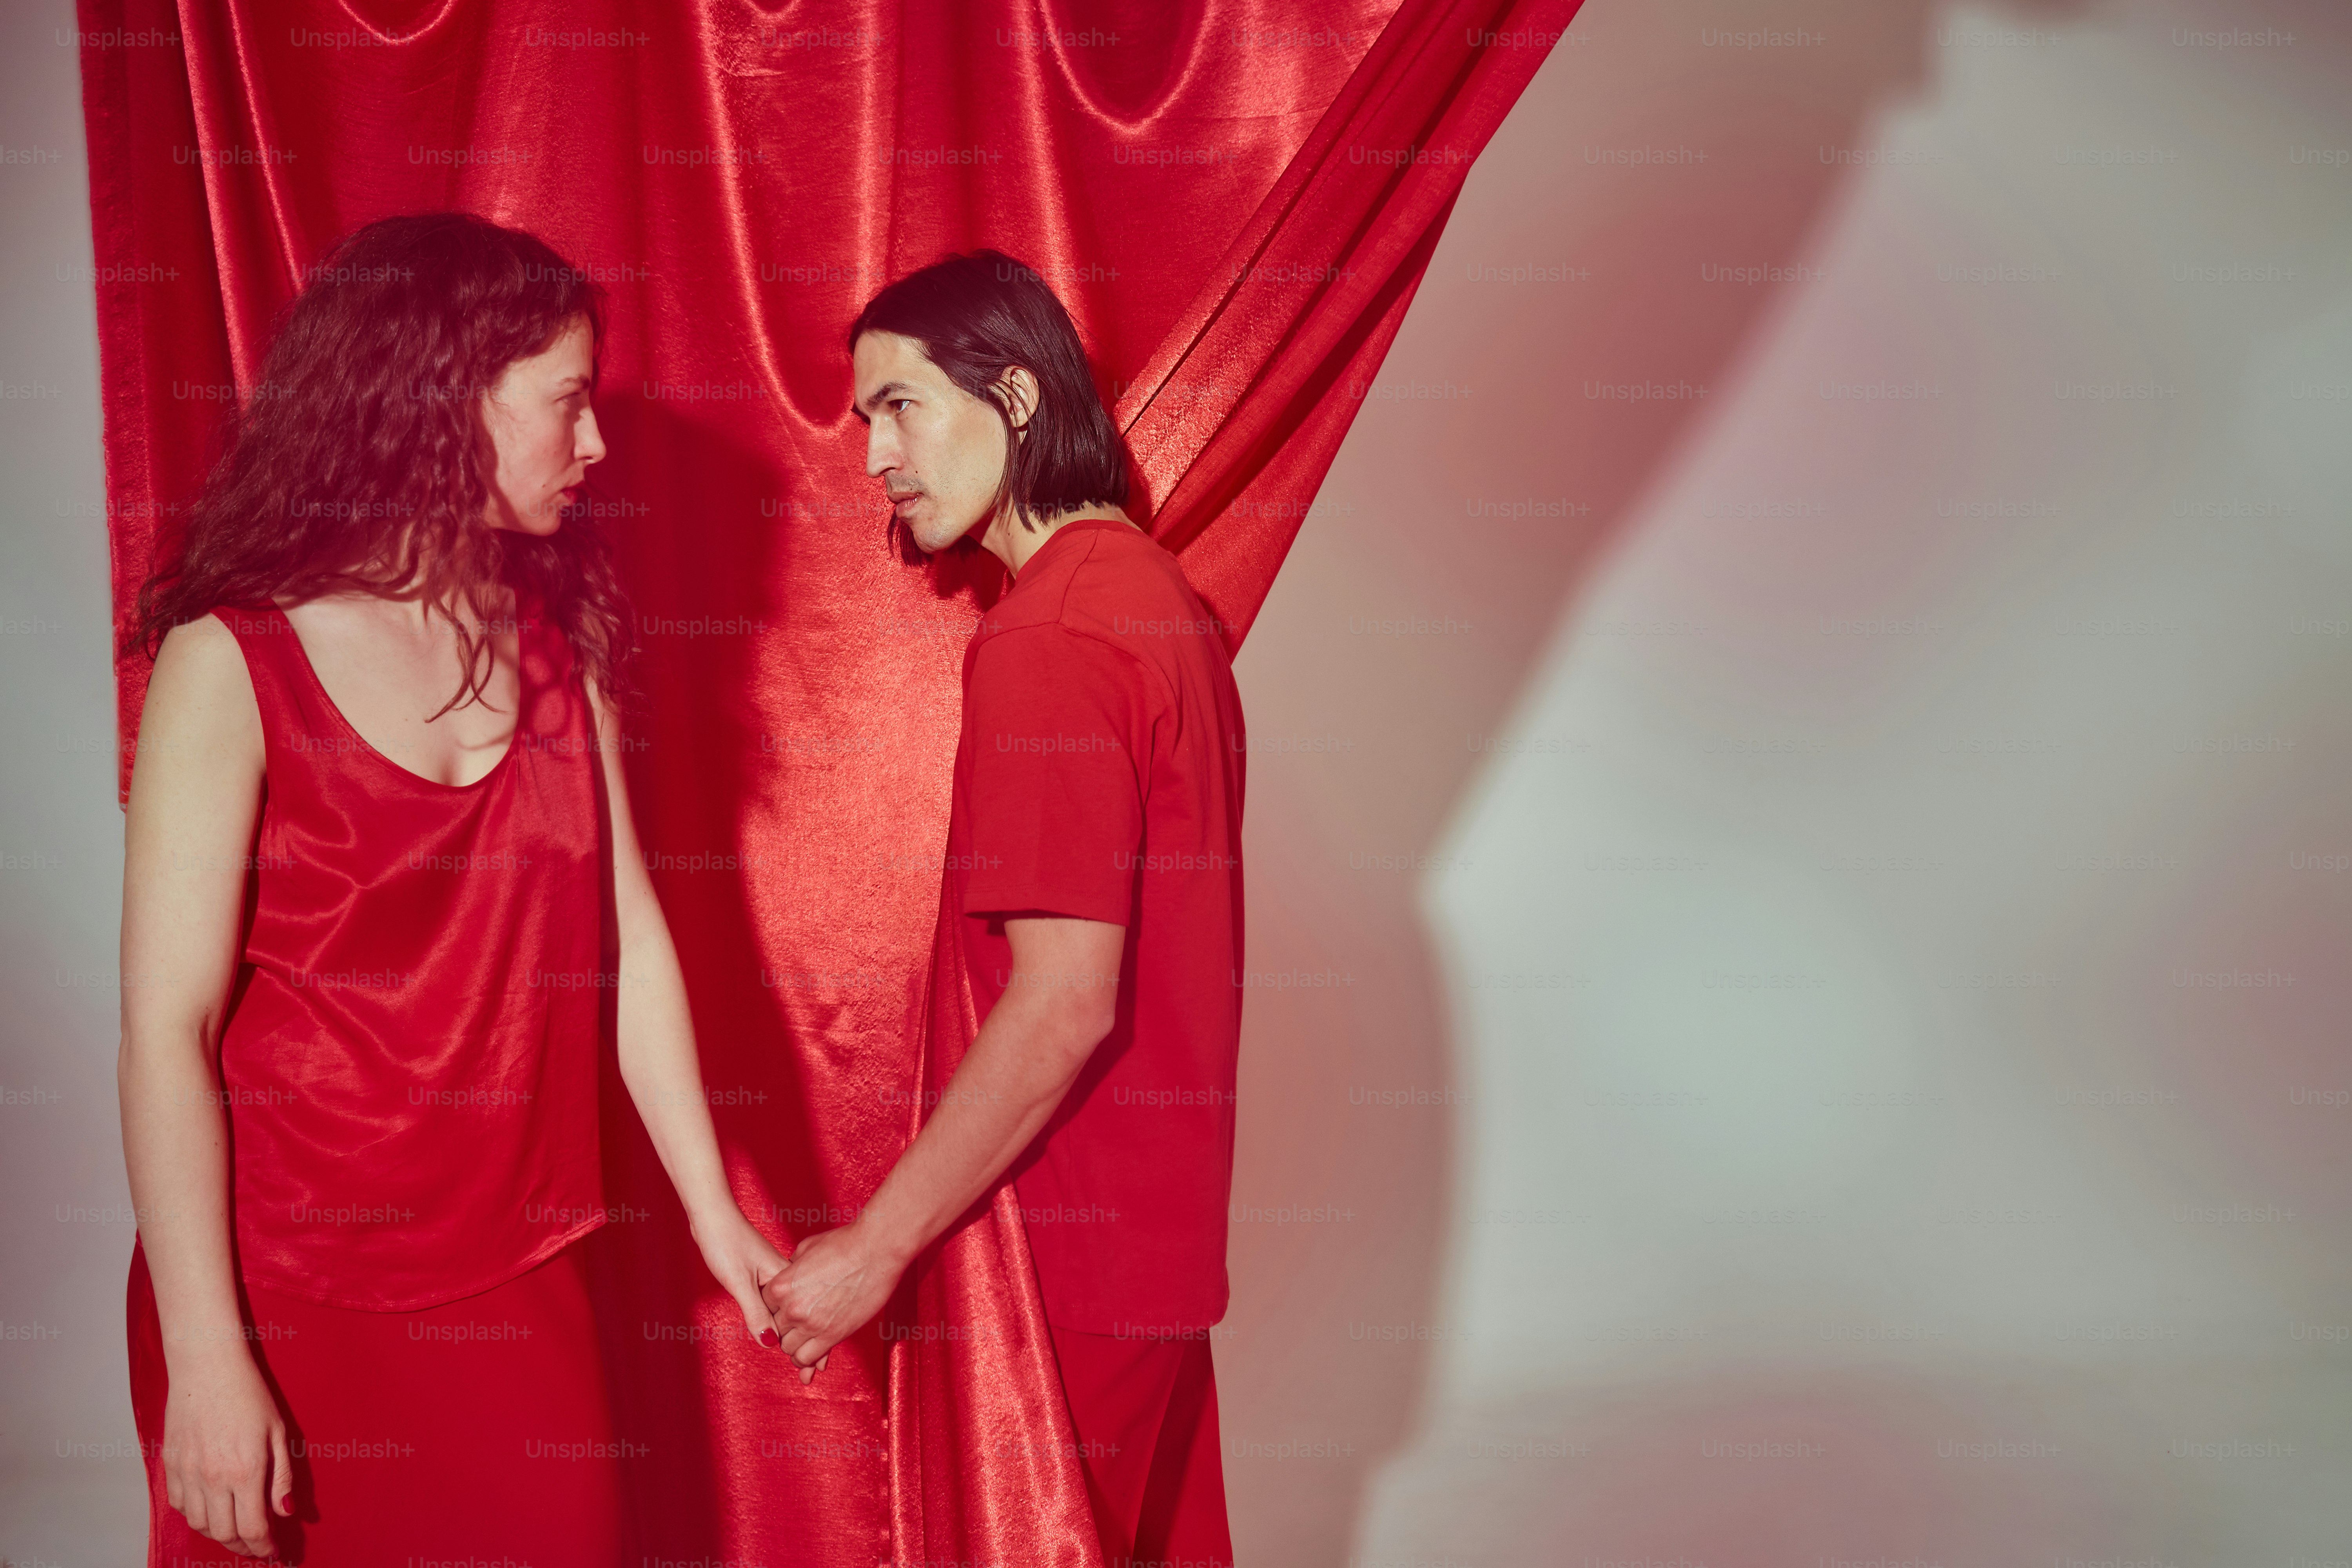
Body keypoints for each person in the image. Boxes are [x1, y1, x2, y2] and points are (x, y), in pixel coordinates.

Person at [116, 212, 790, 1564]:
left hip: (517, 1273)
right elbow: (165, 1033)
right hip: (284, 1294)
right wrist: (207, 1356)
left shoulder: (556, 654)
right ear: (441, 398)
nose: (595, 444)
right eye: (566, 402)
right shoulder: (230, 659)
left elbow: (631, 954)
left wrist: (727, 1225)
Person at [763, 251, 1246, 1567]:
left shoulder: (1053, 635)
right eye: (867, 418)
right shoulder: (1163, 605)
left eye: (901, 406)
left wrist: (876, 1249)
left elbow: (1063, 1003)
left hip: (1058, 1269)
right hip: (1148, 1259)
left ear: (1017, 399)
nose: (875, 455)